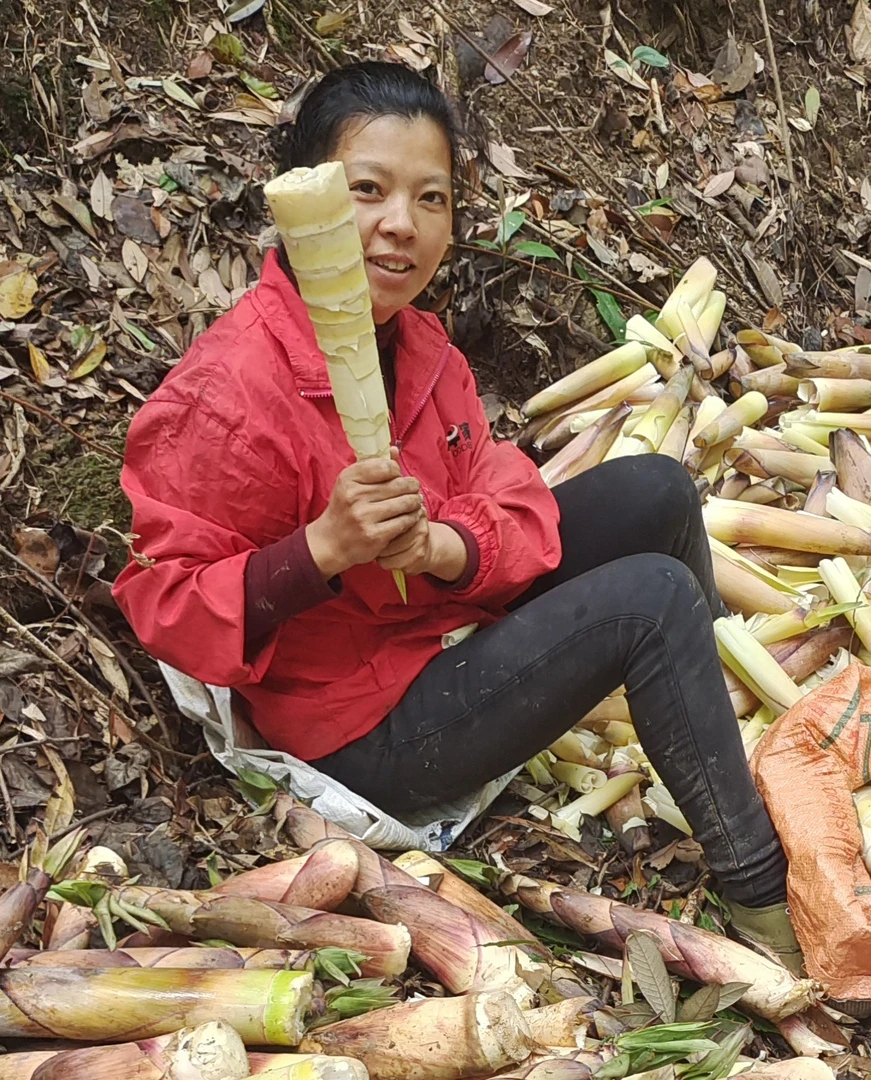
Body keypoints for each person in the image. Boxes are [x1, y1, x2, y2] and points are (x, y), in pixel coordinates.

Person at [113, 61, 799, 969]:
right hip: (362, 725)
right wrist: (320, 550)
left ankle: (705, 717)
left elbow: (503, 495)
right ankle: (764, 902)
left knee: (657, 490)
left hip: (434, 616)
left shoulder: (424, 348)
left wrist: (448, 546)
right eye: (367, 191)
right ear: (302, 204)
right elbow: (168, 604)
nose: (401, 225)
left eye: (430, 199)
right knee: (649, 600)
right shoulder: (227, 392)